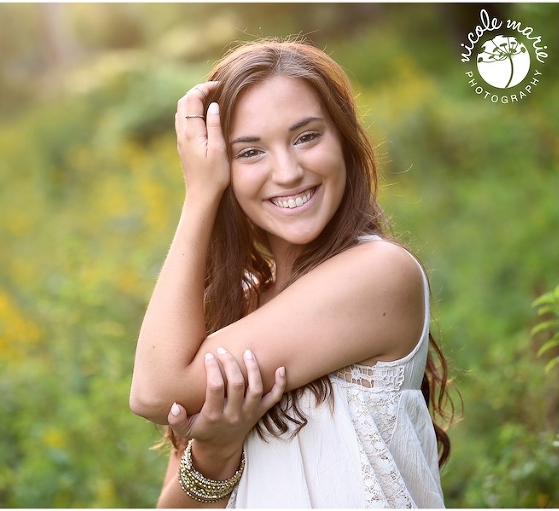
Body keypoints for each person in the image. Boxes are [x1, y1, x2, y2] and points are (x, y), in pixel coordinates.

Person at [130, 37, 455, 508]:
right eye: (250, 152)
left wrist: (199, 196)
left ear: (343, 140)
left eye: (306, 137)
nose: (287, 171)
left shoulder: (379, 274)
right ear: (221, 166)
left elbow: (154, 390)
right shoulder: (233, 307)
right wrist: (216, 453)